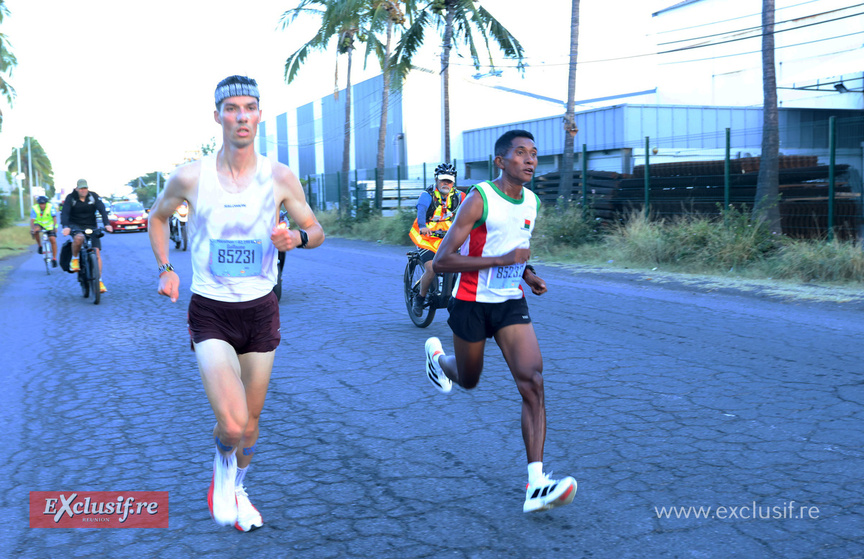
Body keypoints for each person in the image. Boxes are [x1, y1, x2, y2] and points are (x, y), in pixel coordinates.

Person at [147, 75, 324, 532]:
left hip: (261, 310)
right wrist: (166, 268)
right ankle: (221, 477)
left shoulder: (279, 176)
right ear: (218, 117)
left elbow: (316, 231)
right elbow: (158, 218)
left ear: (259, 115)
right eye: (232, 108)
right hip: (211, 310)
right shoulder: (191, 176)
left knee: (250, 424)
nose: (241, 116)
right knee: (231, 423)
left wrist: (297, 238)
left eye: (249, 107)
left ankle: (239, 484)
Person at [423, 129, 576, 513]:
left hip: (509, 302)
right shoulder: (479, 199)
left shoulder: (532, 202)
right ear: (501, 161)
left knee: (533, 382)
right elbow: (442, 261)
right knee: (469, 379)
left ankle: (537, 483)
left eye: (534, 154)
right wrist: (501, 263)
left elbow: (513, 248)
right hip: (470, 302)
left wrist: (528, 273)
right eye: (521, 153)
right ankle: (438, 359)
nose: (530, 160)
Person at [408, 163, 465, 316]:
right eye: (442, 180)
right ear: (436, 180)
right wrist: (422, 226)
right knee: (432, 268)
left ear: (453, 182)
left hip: (447, 235)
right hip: (425, 235)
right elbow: (421, 211)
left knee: (464, 263)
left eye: (449, 181)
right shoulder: (427, 196)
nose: (446, 183)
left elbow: (473, 204)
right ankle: (419, 298)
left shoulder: (458, 196)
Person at [60, 179, 113, 292]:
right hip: (75, 226)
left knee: (96, 252)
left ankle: (99, 281)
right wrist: (66, 226)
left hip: (91, 226)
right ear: (77, 189)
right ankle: (75, 259)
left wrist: (107, 224)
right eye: (81, 188)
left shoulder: (93, 196)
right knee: (79, 238)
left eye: (85, 188)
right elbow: (65, 213)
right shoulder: (71, 198)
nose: (83, 190)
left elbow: (102, 210)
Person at [30, 195, 58, 267]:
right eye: (40, 204)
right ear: (38, 204)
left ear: (46, 203)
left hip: (49, 225)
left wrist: (55, 227)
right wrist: (33, 229)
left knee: (53, 239)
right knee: (35, 230)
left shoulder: (50, 207)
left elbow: (54, 218)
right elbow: (32, 220)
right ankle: (40, 245)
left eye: (43, 204)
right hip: (39, 224)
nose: (42, 205)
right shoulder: (34, 208)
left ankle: (54, 259)